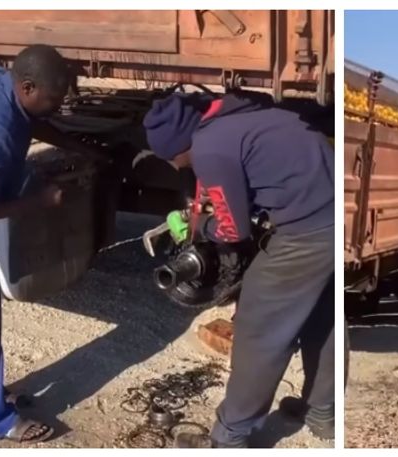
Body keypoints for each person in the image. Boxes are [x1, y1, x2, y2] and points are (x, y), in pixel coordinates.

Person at [143, 90, 334, 448]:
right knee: (322, 318)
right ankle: (323, 410)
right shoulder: (243, 116)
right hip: (332, 216)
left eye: (172, 158)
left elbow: (234, 230)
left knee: (259, 325)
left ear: (180, 144)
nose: (176, 166)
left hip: (305, 232)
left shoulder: (210, 148)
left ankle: (231, 435)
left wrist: (197, 228)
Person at [0, 44, 103, 444]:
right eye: (54, 99)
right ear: (28, 86)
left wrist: (78, 146)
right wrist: (38, 202)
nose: (58, 105)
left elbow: (33, 122)